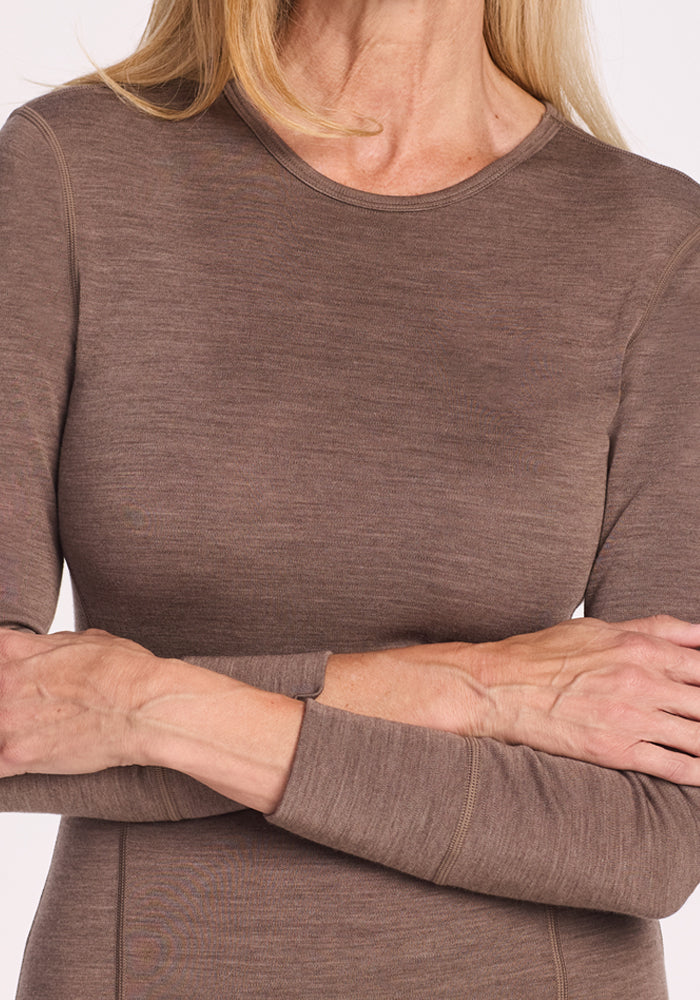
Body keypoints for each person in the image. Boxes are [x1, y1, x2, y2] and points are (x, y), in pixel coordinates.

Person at [1, 0, 698, 996]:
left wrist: (140, 704)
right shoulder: (73, 170)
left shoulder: (654, 242)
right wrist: (476, 689)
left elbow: (650, 838)